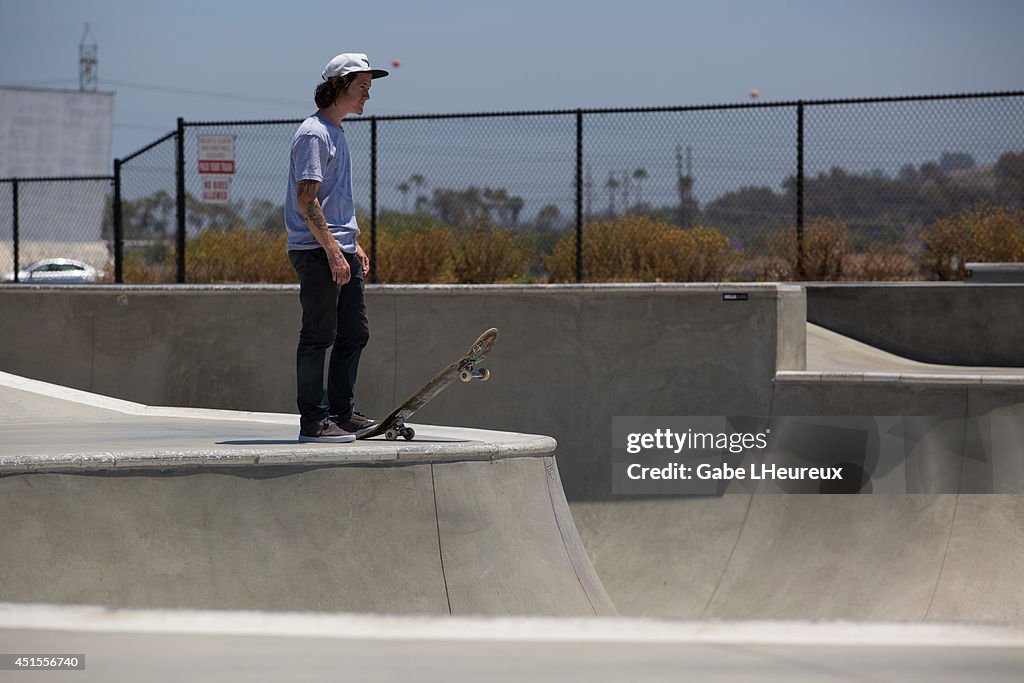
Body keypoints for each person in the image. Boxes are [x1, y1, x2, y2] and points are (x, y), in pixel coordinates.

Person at [285, 53, 388, 442]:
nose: (367, 96)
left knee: (354, 333)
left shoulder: (336, 132)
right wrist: (331, 251)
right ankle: (314, 422)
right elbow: (306, 199)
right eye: (362, 87)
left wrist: (351, 243)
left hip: (339, 246)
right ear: (339, 87)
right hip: (316, 251)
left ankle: (342, 414)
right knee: (317, 336)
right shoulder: (314, 134)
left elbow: (332, 199)